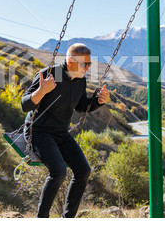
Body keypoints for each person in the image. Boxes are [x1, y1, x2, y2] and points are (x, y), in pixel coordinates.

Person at [21, 43, 109, 218]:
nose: (88, 68)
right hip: (38, 132)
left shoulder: (80, 80)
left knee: (84, 171)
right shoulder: (48, 75)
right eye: (85, 64)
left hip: (60, 133)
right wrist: (41, 90)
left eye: (90, 64)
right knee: (59, 172)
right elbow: (25, 105)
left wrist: (98, 101)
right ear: (70, 63)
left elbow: (82, 106)